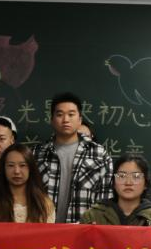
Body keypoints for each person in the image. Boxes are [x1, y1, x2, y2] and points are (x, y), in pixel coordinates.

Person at [33, 93, 112, 223]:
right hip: (43, 228)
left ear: (80, 119)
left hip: (84, 228)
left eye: (71, 114)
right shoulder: (38, 153)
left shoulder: (98, 153)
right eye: (60, 114)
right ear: (51, 119)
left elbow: (106, 198)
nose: (65, 119)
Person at [81, 155, 151, 226]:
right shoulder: (93, 216)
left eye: (136, 176)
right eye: (121, 176)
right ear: (114, 182)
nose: (128, 182)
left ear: (145, 184)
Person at [0, 143, 54, 223]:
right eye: (11, 165)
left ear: (30, 168)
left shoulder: (44, 203)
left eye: (22, 165)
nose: (17, 171)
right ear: (3, 169)